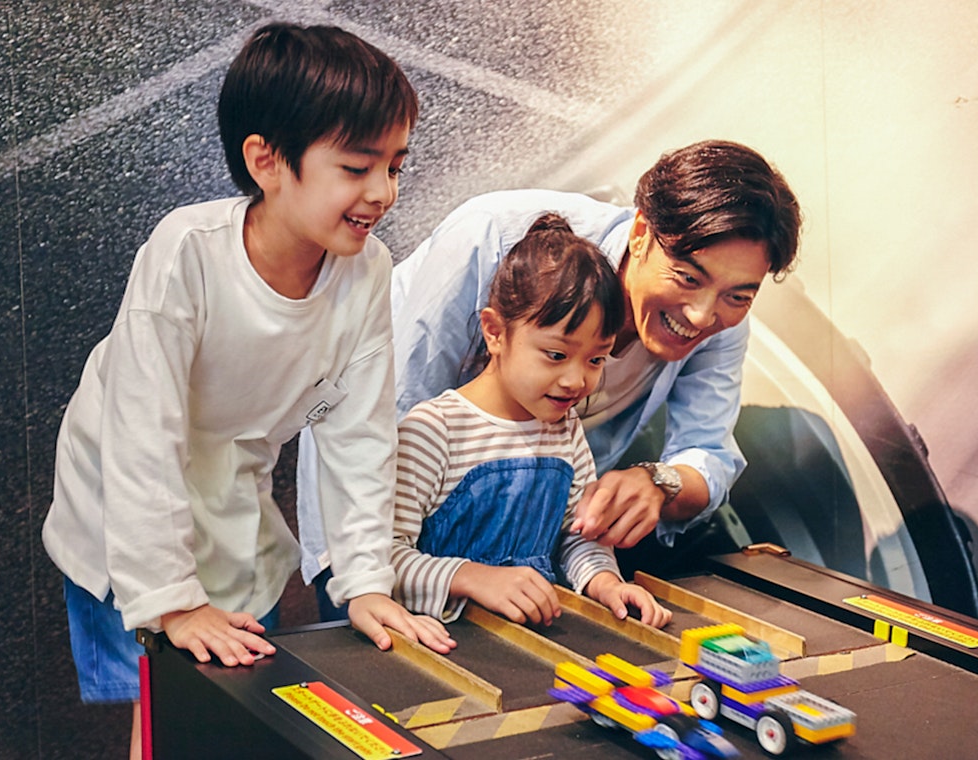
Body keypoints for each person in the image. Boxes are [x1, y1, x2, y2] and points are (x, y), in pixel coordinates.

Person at [41, 23, 453, 758]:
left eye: (396, 166)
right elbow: (143, 432)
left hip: (235, 492)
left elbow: (357, 433)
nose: (383, 193)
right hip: (122, 500)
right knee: (160, 701)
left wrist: (366, 582)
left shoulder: (367, 271)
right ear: (266, 161)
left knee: (229, 690)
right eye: (358, 167)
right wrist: (172, 602)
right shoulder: (187, 253)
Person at [300, 140, 802, 618]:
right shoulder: (492, 235)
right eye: (688, 278)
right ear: (642, 234)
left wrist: (655, 487)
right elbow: (386, 418)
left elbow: (704, 453)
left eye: (739, 295)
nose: (700, 315)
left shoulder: (717, 319)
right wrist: (376, 578)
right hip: (375, 526)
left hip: (519, 582)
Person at [390, 214, 672, 628]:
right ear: (494, 332)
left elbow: (575, 536)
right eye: (556, 355)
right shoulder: (432, 431)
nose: (577, 380)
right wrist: (470, 577)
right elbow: (384, 560)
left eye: (596, 359)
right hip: (434, 646)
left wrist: (606, 582)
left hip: (527, 646)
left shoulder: (566, 430)